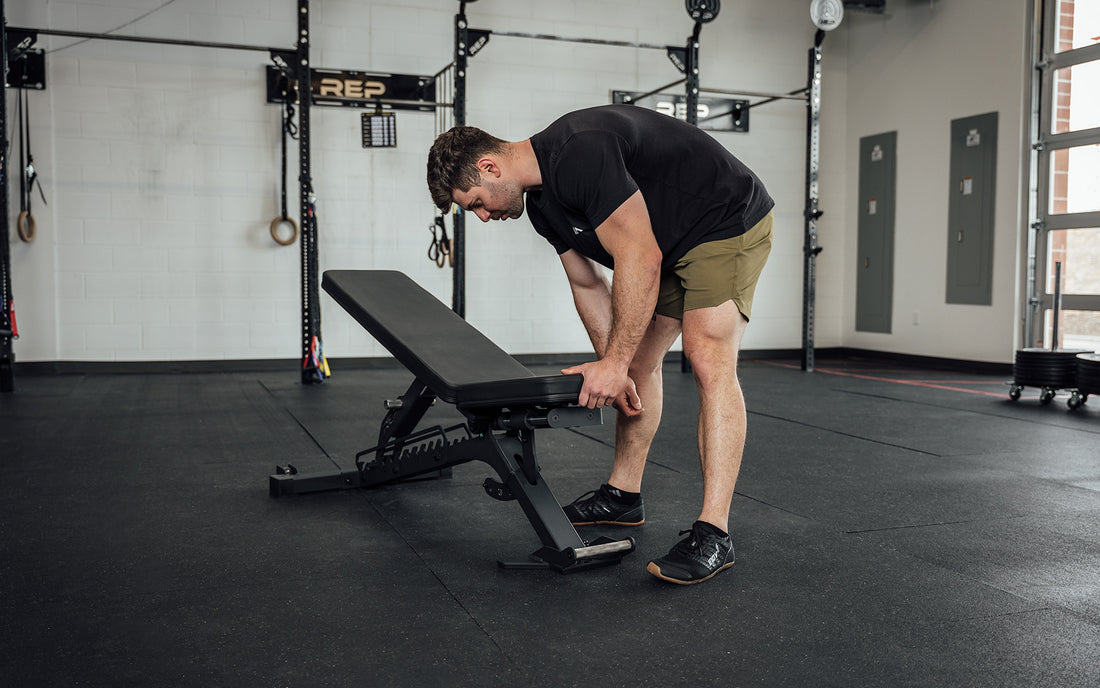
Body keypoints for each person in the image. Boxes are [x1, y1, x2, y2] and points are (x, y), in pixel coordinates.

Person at [426, 104, 773, 585]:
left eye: (477, 203)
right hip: (670, 240)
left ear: (489, 167)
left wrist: (614, 361)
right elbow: (588, 286)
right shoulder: (542, 205)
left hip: (724, 216)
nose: (483, 216)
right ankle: (623, 497)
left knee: (706, 355)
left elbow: (639, 256)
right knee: (638, 368)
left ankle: (715, 532)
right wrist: (619, 366)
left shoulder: (578, 150)